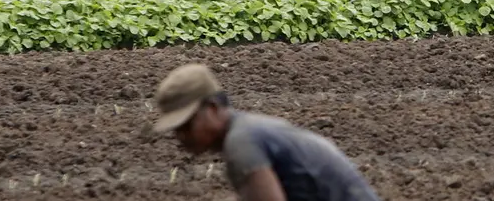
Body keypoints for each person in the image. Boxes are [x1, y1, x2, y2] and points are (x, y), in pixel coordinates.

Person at [153, 63, 383, 201]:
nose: (181, 137)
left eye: (185, 126)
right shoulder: (251, 130)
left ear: (212, 108)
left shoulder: (242, 142)